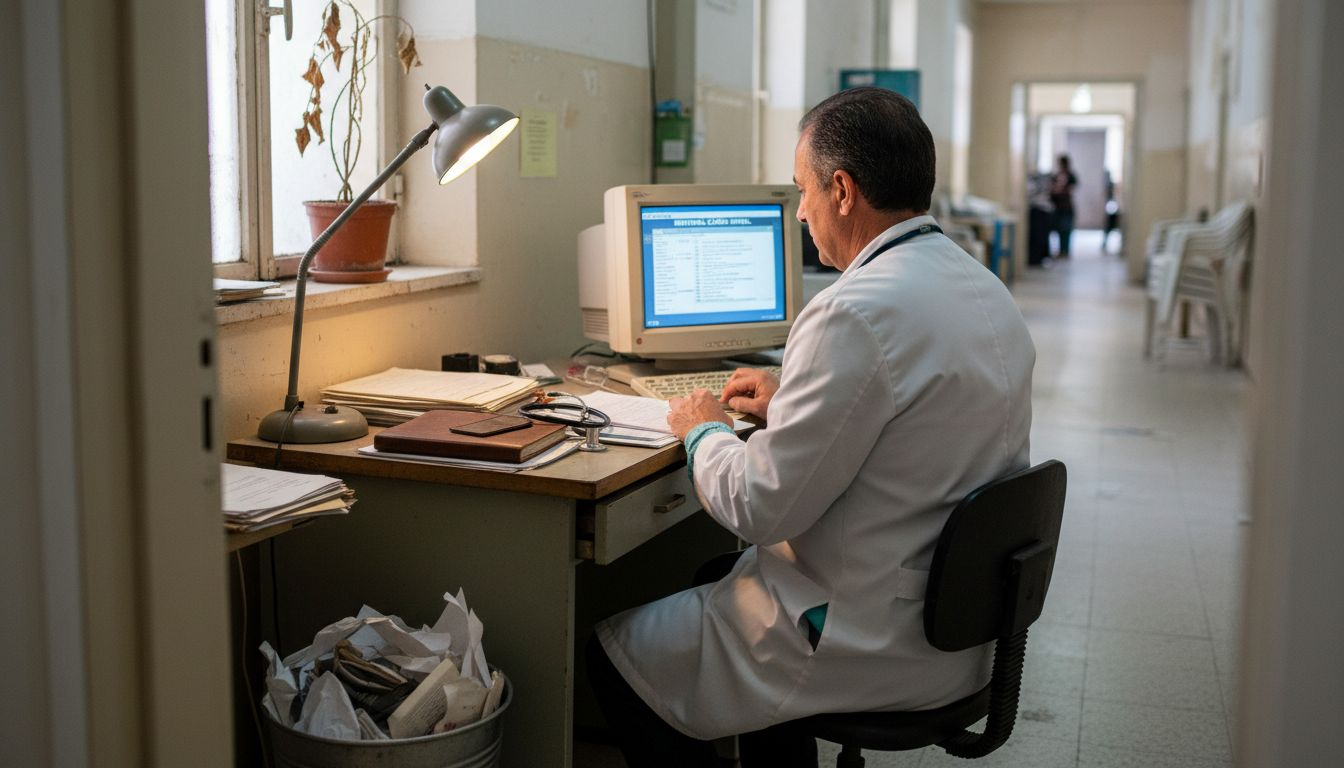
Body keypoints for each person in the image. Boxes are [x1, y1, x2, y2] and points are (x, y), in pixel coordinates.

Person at [587, 86, 1035, 768]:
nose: (800, 210)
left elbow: (759, 506)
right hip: (962, 629)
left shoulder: (850, 313)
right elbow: (910, 421)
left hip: (867, 635)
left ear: (844, 189)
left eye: (803, 190)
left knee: (614, 656)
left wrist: (703, 427)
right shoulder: (980, 287)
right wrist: (793, 400)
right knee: (715, 574)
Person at [1050, 154, 1078, 258]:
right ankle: (1061, 250)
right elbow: (1052, 189)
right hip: (1058, 207)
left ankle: (1065, 251)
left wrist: (1061, 190)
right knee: (1060, 230)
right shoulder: (1056, 176)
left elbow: (1072, 188)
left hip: (1067, 207)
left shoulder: (1071, 176)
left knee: (1066, 230)